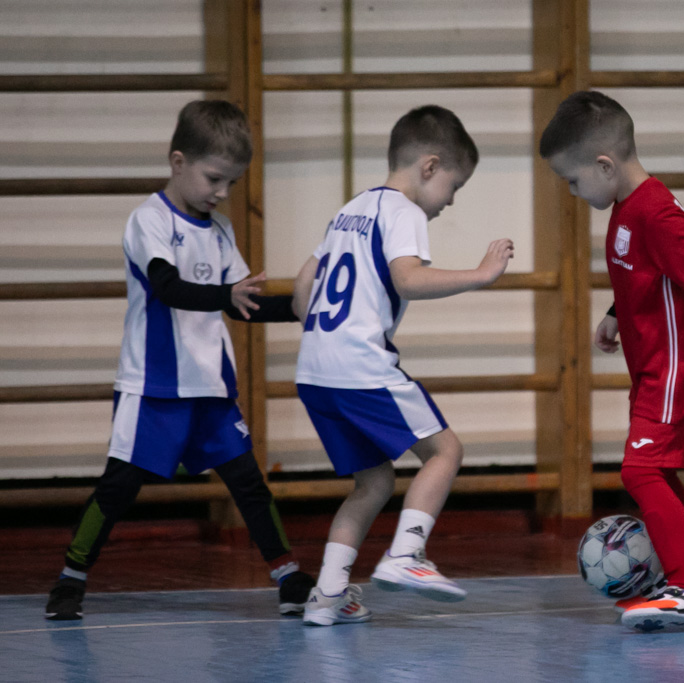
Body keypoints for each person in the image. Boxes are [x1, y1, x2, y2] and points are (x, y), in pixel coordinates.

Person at [44, 99, 314, 621]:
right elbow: (168, 288)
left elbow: (242, 304)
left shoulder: (220, 231)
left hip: (211, 387)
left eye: (232, 182)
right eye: (214, 178)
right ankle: (70, 579)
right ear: (178, 162)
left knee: (248, 482)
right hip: (154, 386)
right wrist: (227, 295)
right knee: (119, 487)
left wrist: (299, 310)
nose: (222, 192)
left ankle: (289, 578)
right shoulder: (148, 219)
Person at [292, 105, 514, 626]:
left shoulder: (350, 209)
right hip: (360, 367)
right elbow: (408, 280)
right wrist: (481, 274)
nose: (451, 201)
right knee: (445, 450)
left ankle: (327, 595)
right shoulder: (404, 211)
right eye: (454, 186)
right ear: (429, 166)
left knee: (372, 483)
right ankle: (407, 553)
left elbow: (304, 290)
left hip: (315, 372)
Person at [540, 91, 684, 633]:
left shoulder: (654, 210)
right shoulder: (626, 208)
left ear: (605, 166)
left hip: (675, 370)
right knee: (657, 470)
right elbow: (647, 275)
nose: (573, 193)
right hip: (652, 369)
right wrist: (615, 313)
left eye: (573, 181)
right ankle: (683, 582)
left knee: (640, 470)